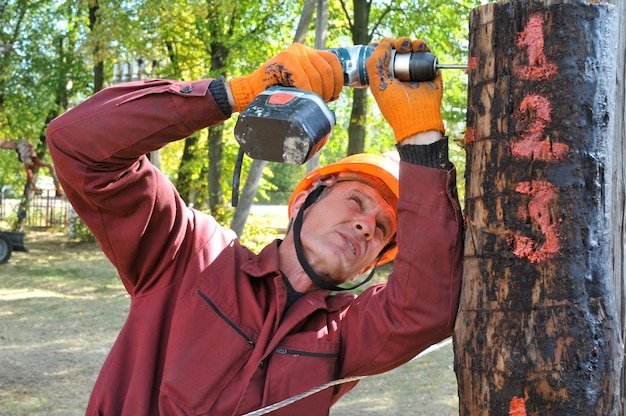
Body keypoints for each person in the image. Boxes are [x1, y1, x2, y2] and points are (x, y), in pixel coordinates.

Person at [46, 37, 463, 415]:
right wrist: (238, 93)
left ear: (371, 263)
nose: (366, 226)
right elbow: (80, 146)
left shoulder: (344, 335)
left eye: (383, 229)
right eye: (356, 201)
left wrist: (420, 139)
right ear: (303, 200)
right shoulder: (192, 254)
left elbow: (426, 306)